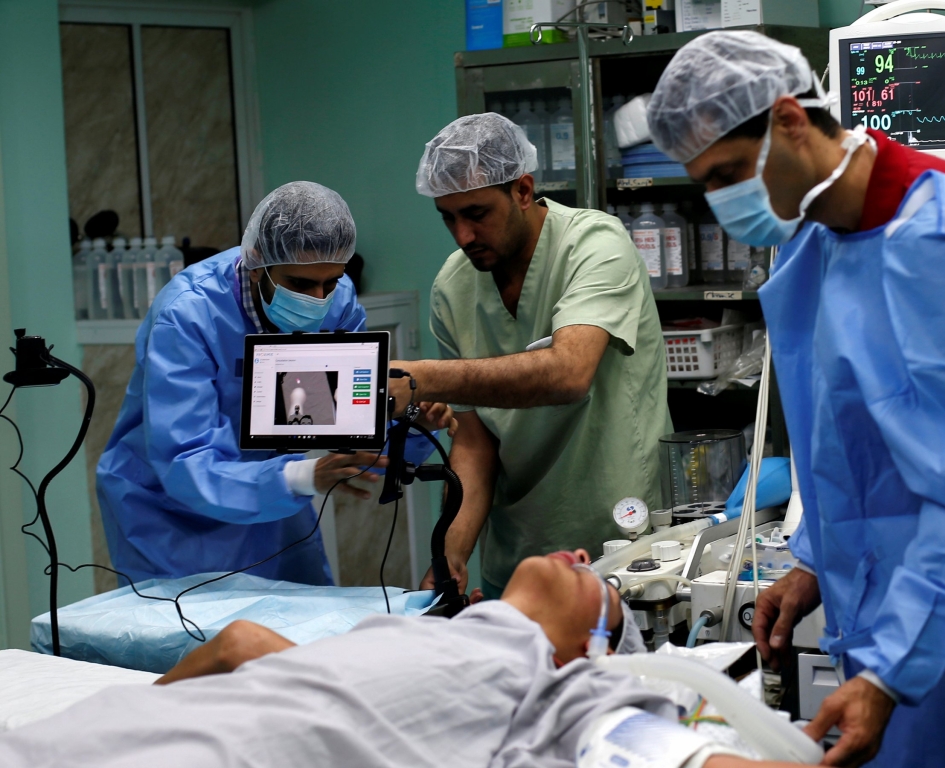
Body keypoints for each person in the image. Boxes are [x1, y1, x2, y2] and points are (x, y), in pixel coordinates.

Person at [646, 30, 945, 768]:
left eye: (727, 172)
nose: (723, 201)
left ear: (790, 118)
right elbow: (848, 448)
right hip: (890, 625)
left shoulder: (942, 241)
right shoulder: (813, 244)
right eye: (706, 184)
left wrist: (890, 674)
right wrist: (814, 565)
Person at [0, 549, 732, 768]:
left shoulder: (557, 696)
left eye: (598, 581)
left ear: (591, 649)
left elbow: (685, 761)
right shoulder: (424, 632)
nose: (580, 554)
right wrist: (153, 709)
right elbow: (240, 644)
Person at [97, 181, 455, 587]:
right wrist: (301, 477)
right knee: (197, 641)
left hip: (274, 497)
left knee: (293, 640)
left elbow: (350, 426)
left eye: (331, 282)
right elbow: (185, 461)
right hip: (171, 516)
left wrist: (414, 421)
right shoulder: (187, 316)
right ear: (256, 262)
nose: (318, 300)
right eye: (300, 285)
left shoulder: (337, 302)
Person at [393, 113, 673, 599]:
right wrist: (452, 554)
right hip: (520, 557)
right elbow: (475, 443)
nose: (462, 236)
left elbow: (568, 374)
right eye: (448, 217)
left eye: (477, 214)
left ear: (523, 191)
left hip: (620, 542)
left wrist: (423, 377)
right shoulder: (452, 287)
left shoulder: (595, 244)